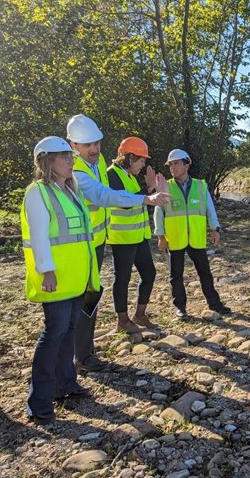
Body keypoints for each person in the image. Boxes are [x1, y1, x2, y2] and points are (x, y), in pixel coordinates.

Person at [67, 114, 169, 371]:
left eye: (96, 143)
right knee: (84, 296)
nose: (94, 149)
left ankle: (84, 351)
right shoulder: (76, 171)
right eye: (86, 144)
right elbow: (104, 196)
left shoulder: (98, 161)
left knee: (92, 294)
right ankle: (80, 356)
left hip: (98, 241)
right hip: (81, 244)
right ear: (73, 146)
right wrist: (146, 197)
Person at [21, 136, 100, 425]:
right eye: (64, 156)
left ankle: (65, 385)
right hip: (56, 278)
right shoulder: (37, 193)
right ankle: (39, 402)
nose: (71, 161)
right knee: (54, 333)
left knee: (68, 330)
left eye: (71, 156)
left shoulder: (71, 190)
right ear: (47, 161)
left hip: (76, 277)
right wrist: (47, 270)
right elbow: (40, 236)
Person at [154, 149, 231, 318]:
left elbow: (210, 209)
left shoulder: (200, 185)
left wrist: (215, 229)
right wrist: (160, 236)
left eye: (176, 163)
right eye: (170, 164)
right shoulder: (166, 186)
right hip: (175, 238)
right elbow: (158, 212)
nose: (172, 167)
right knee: (176, 276)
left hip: (196, 237)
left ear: (186, 165)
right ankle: (180, 307)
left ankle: (214, 303)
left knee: (205, 273)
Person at [107, 137, 160, 333]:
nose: (143, 164)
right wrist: (148, 193)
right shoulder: (112, 174)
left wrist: (149, 188)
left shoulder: (128, 175)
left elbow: (138, 198)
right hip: (122, 238)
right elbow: (126, 201)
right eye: (141, 160)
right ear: (129, 157)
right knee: (122, 278)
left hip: (137, 236)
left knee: (149, 273)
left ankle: (139, 314)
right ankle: (122, 320)